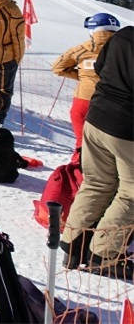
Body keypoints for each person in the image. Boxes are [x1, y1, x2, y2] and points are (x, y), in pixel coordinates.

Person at [61, 25, 133, 279]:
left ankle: (72, 245)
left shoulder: (123, 35)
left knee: (97, 182)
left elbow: (101, 69)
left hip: (97, 116)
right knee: (131, 192)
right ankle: (104, 255)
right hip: (126, 127)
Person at [52, 13, 122, 148]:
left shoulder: (81, 50)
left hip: (83, 100)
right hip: (114, 101)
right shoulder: (123, 50)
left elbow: (58, 68)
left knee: (82, 141)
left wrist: (84, 76)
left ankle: (79, 166)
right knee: (111, 145)